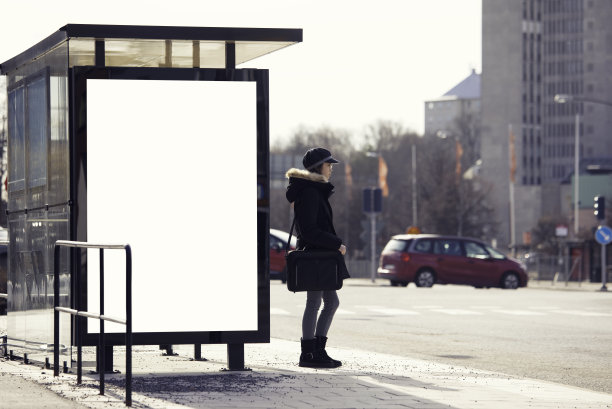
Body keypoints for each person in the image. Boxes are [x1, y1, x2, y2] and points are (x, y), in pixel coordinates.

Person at [285, 147, 348, 368]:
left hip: (320, 254)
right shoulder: (310, 192)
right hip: (316, 254)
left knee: (330, 301)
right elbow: (309, 230)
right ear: (317, 167)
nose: (331, 169)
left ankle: (317, 350)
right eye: (328, 165)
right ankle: (309, 353)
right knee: (316, 302)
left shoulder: (313, 190)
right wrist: (335, 244)